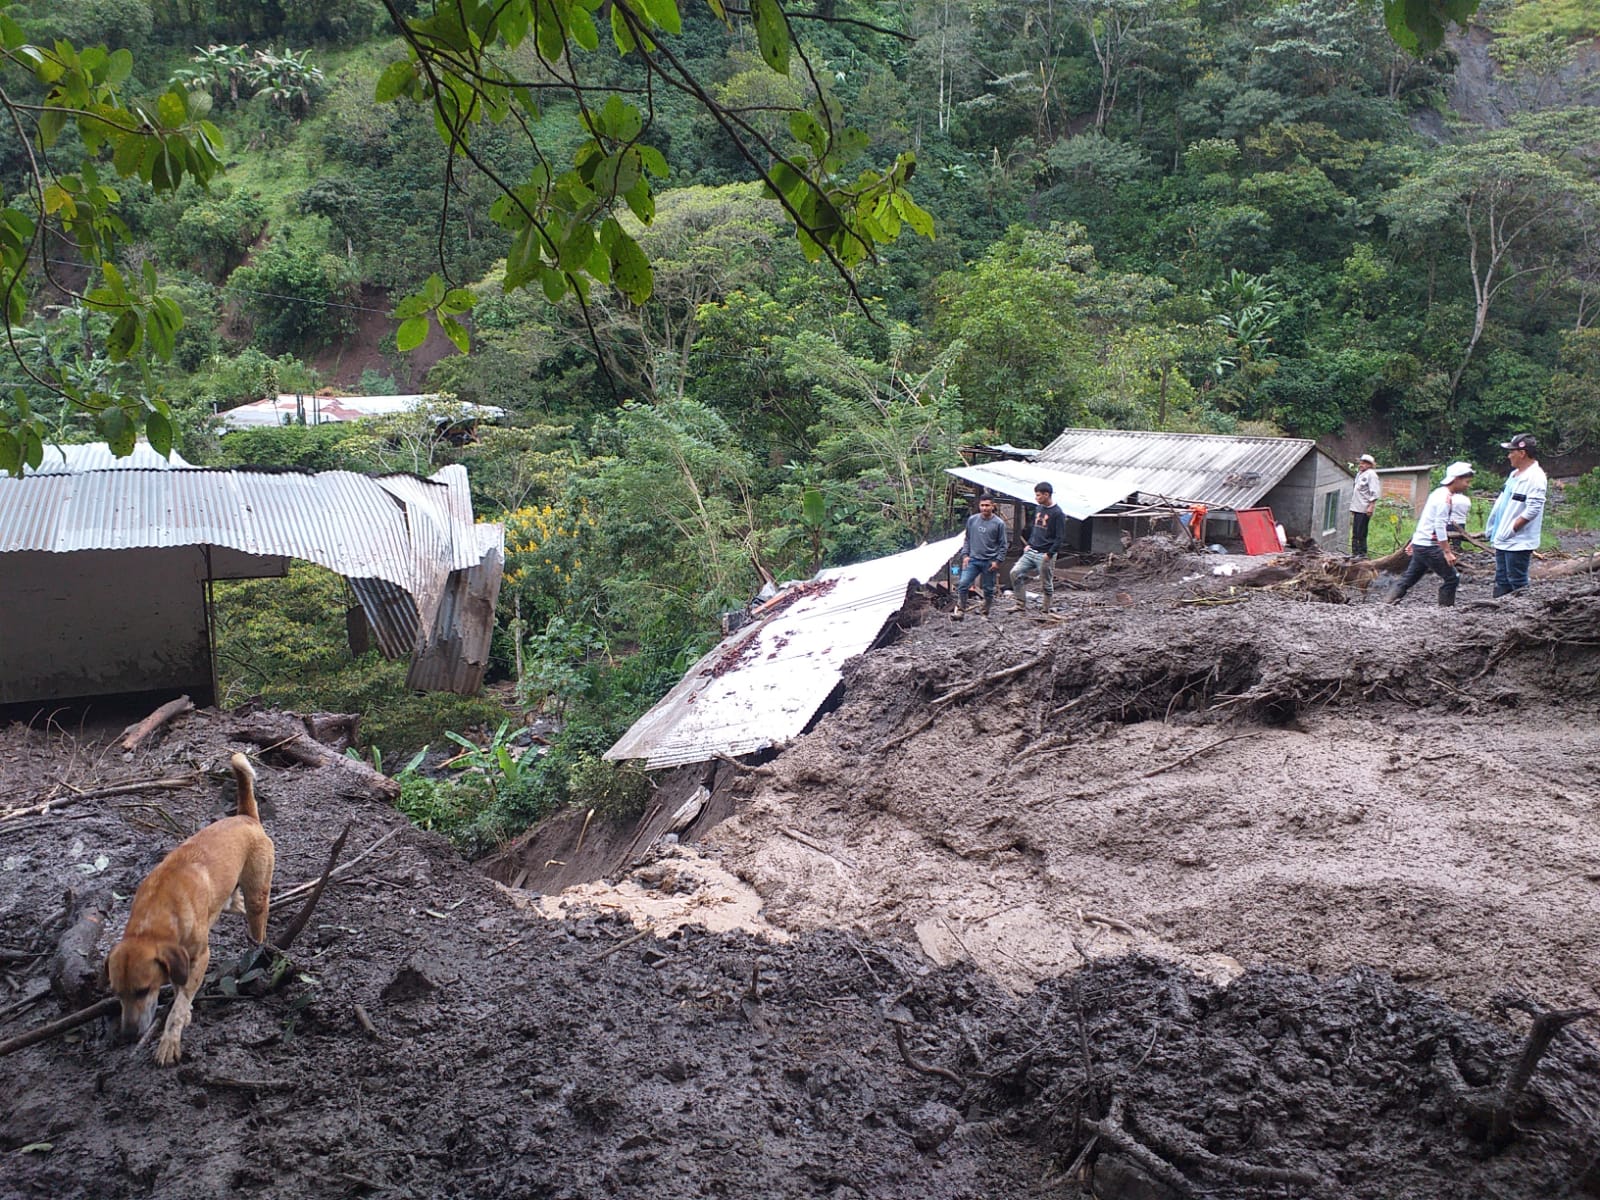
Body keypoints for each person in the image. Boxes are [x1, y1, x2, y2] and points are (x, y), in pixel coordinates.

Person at [1386, 461, 1474, 607]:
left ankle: (1386, 603)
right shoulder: (1444, 499)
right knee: (1452, 578)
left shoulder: (1437, 493)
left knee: (1409, 578)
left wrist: (1414, 541)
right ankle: (1445, 611)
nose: (1468, 485)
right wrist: (1447, 552)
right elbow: (1439, 525)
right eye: (1466, 481)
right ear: (1456, 479)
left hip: (1422, 543)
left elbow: (1425, 520)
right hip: (1429, 546)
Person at [1485, 433, 1547, 597]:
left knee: (1516, 580)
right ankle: (1498, 614)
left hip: (1518, 540)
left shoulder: (1536, 478)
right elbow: (1503, 502)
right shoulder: (1514, 475)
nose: (1509, 455)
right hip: (1503, 537)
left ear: (1522, 453)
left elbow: (1533, 509)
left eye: (1511, 451)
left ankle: (1523, 614)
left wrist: (1512, 529)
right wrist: (1492, 525)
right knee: (1502, 579)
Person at [1009, 481, 1066, 616]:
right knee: (1015, 573)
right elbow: (1036, 529)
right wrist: (1029, 543)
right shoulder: (1039, 508)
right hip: (1032, 550)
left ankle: (1045, 608)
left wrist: (1050, 553)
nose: (1036, 498)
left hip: (1045, 553)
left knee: (1046, 582)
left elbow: (1060, 537)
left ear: (1047, 495)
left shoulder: (1058, 513)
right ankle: (1020, 603)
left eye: (1039, 495)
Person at [952, 496, 1008, 619]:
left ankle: (985, 612)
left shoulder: (999, 523)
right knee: (963, 584)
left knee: (988, 589)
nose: (984, 508)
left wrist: (998, 561)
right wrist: (965, 555)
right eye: (982, 505)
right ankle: (961, 611)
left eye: (987, 505)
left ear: (993, 506)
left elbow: (1003, 545)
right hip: (973, 560)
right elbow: (967, 539)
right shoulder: (972, 520)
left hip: (989, 561)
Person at [1350, 453, 1380, 557]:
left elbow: (1374, 492)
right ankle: (1354, 553)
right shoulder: (1360, 474)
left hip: (1364, 508)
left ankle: (1361, 554)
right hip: (1357, 507)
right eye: (1361, 462)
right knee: (1355, 532)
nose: (1361, 464)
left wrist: (1371, 506)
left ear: (1369, 465)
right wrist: (1353, 508)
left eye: (1364, 463)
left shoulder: (1371, 475)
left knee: (1361, 533)